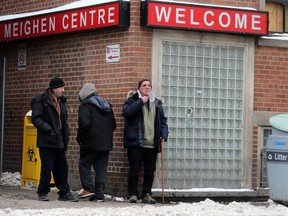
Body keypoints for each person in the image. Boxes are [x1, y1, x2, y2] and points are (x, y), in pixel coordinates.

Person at [31, 77, 79, 202]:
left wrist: (66, 134)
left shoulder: (61, 102)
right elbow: (36, 118)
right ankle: (42, 192)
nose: (63, 90)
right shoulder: (41, 101)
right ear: (53, 89)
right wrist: (49, 130)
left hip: (60, 140)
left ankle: (64, 193)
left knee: (62, 168)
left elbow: (63, 121)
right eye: (61, 88)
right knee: (47, 168)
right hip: (47, 140)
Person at [122, 79, 169, 204]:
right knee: (134, 170)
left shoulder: (157, 103)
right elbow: (127, 114)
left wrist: (164, 134)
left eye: (149, 85)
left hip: (152, 143)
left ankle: (146, 194)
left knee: (150, 171)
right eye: (144, 85)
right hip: (136, 142)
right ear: (139, 88)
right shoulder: (132, 100)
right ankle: (132, 194)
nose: (147, 87)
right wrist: (140, 102)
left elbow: (163, 121)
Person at [76, 83, 116, 202]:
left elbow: (84, 124)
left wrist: (80, 139)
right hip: (105, 143)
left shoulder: (86, 105)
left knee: (84, 164)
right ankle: (99, 194)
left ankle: (88, 189)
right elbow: (113, 124)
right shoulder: (107, 105)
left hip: (90, 142)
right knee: (101, 169)